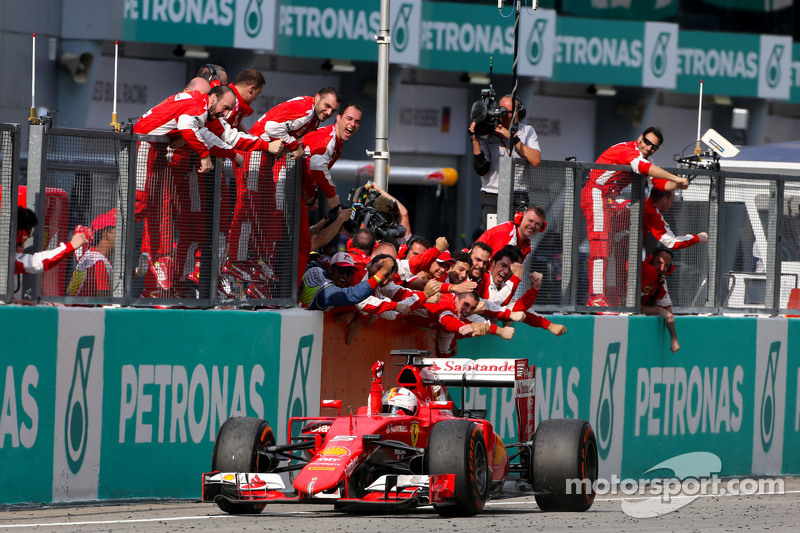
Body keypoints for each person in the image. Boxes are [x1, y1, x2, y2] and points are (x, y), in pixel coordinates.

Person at [133, 84, 244, 296]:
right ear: (211, 97)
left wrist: (233, 155)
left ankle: (164, 263)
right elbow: (187, 127)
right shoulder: (197, 104)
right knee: (139, 205)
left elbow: (205, 137)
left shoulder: (199, 109)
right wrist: (203, 155)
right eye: (225, 107)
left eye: (230, 109)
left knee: (161, 208)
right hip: (145, 145)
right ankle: (92, 234)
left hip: (157, 151)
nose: (226, 113)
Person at [230, 88, 343, 265]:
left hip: (263, 157)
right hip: (254, 155)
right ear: (318, 98)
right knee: (249, 210)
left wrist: (311, 192)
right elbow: (271, 127)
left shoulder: (312, 115)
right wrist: (293, 146)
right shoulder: (306, 111)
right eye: (327, 106)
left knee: (268, 213)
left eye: (333, 110)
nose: (329, 113)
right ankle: (236, 263)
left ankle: (259, 264)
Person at [583, 127, 690, 308]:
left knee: (618, 248)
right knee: (600, 245)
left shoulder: (645, 157)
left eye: (654, 147)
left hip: (609, 200)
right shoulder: (629, 151)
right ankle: (596, 298)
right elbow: (643, 168)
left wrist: (678, 185)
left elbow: (658, 182)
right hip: (596, 194)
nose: (649, 148)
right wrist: (675, 178)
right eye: (647, 142)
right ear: (640, 138)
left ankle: (613, 298)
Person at [296, 104, 363, 286]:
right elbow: (317, 164)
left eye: (357, 122)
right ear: (338, 118)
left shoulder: (334, 141)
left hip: (296, 196)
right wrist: (333, 199)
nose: (353, 124)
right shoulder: (328, 139)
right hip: (289, 195)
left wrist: (317, 226)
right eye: (349, 119)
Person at [470, 94, 541, 227]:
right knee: (495, 239)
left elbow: (535, 160)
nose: (507, 116)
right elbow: (481, 168)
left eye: (510, 112)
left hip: (518, 195)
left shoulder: (527, 131)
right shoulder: (489, 131)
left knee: (517, 239)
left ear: (519, 112)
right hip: (493, 195)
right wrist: (475, 140)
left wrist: (513, 138)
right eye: (503, 111)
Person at [298, 251, 395, 311]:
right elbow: (351, 295)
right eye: (341, 270)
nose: (344, 276)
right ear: (330, 268)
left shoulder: (315, 269)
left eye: (349, 272)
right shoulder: (325, 291)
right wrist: (380, 274)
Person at [15, 206, 87, 275]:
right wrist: (70, 246)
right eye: (27, 232)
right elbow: (36, 263)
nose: (28, 237)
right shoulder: (10, 257)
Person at [67, 208, 117, 297]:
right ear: (106, 234)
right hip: (82, 310)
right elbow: (103, 302)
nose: (122, 236)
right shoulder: (97, 261)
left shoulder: (93, 256)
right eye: (119, 231)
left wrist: (136, 272)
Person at [644, 187, 708, 252]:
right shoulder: (652, 214)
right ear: (664, 199)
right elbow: (672, 242)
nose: (672, 204)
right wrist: (698, 238)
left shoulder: (647, 206)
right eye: (671, 201)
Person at [641, 248, 680, 353]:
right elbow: (633, 308)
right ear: (652, 259)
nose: (662, 268)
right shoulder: (638, 271)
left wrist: (674, 339)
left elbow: (669, 313)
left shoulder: (661, 281)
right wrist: (659, 310)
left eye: (666, 265)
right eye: (659, 263)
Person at [477, 204, 546, 259]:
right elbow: (495, 269)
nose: (533, 226)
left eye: (537, 224)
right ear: (520, 219)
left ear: (541, 228)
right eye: (530, 221)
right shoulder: (506, 235)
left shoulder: (525, 243)